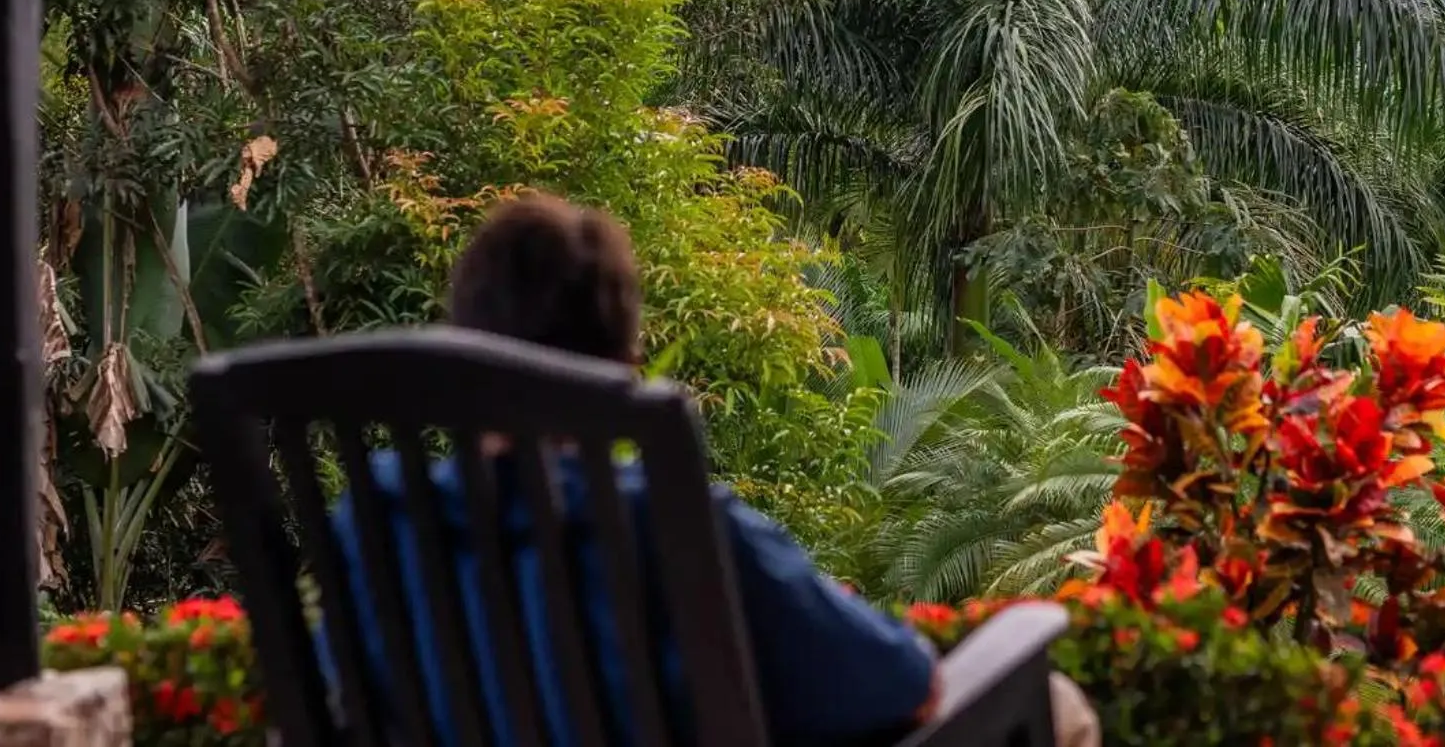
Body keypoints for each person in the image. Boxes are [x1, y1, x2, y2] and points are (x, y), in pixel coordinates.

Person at [329, 192, 1099, 747]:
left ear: (464, 346)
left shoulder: (374, 524)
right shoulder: (674, 524)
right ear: (623, 365)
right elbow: (908, 686)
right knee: (1056, 702)